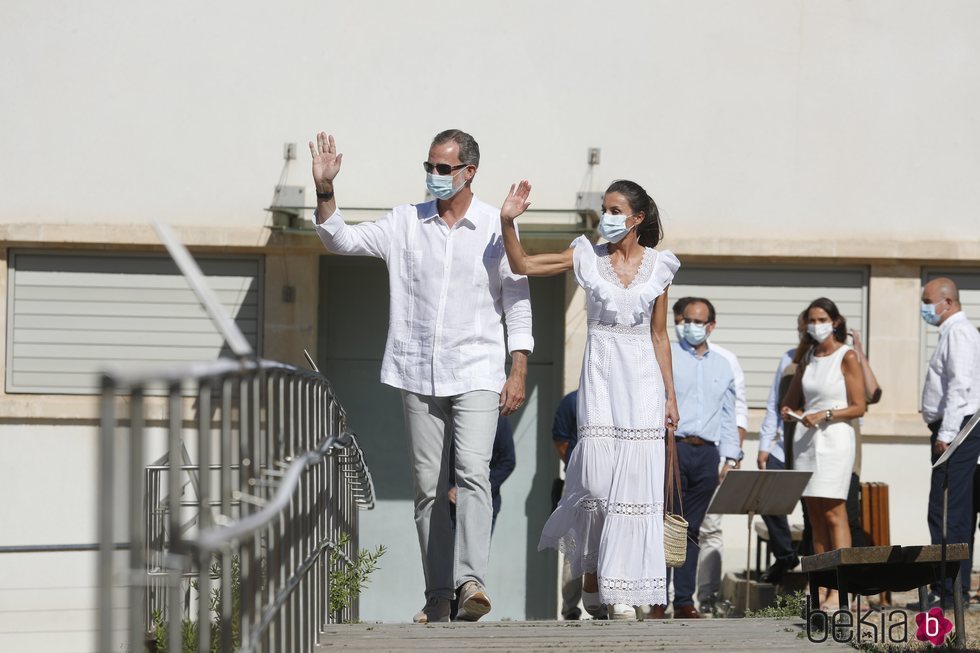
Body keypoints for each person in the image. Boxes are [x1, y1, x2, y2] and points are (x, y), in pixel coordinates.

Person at [309, 130, 534, 624]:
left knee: (473, 472)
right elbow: (339, 238)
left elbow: (517, 303)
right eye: (429, 167)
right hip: (416, 369)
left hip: (477, 368)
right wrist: (326, 191)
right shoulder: (404, 222)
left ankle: (470, 581)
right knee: (428, 487)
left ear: (468, 171)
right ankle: (437, 594)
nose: (434, 176)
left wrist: (518, 368)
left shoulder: (497, 227)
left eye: (443, 168)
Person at [499, 179, 680, 621]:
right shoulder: (586, 255)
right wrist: (508, 221)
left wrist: (671, 398)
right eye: (605, 208)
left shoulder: (659, 267)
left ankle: (619, 589)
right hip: (600, 377)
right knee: (597, 485)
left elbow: (660, 335)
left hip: (642, 382)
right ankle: (594, 572)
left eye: (616, 210)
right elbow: (521, 264)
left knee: (632, 488)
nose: (607, 217)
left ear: (637, 219)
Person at [651, 297, 741, 619]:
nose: (692, 326)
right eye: (687, 319)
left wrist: (731, 457)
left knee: (693, 529)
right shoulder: (668, 355)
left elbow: (729, 414)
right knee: (665, 524)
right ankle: (658, 599)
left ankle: (685, 601)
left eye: (699, 321)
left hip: (707, 454)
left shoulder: (723, 364)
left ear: (711, 326)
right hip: (672, 447)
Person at [780, 297, 866, 610]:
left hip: (834, 438)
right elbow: (788, 402)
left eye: (821, 319)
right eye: (811, 321)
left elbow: (859, 406)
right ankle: (821, 584)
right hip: (806, 438)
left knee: (834, 511)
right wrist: (792, 411)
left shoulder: (847, 356)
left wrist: (826, 414)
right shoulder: (808, 358)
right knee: (815, 515)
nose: (816, 326)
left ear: (835, 322)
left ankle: (841, 590)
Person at [920, 277, 980, 607]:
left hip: (958, 431)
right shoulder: (951, 333)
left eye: (927, 301)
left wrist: (946, 435)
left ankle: (949, 590)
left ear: (947, 302)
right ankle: (951, 588)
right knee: (950, 511)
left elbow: (960, 388)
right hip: (953, 429)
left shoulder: (959, 333)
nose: (924, 308)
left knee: (947, 513)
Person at [551, 390, 584, 620]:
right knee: (572, 545)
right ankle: (570, 608)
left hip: (609, 483)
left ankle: (603, 605)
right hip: (575, 483)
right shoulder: (572, 401)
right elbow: (560, 441)